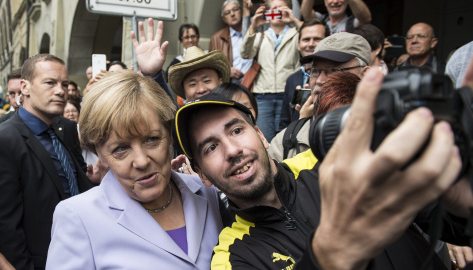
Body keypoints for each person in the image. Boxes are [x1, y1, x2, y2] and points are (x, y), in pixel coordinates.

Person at [174, 66, 471, 269]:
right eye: (211, 147)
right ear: (202, 174)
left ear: (262, 135)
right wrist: (325, 257)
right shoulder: (233, 256)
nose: (233, 150)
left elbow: (447, 220)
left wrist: (461, 200)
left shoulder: (331, 161)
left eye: (237, 130)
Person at [46, 69, 223, 269]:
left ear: (170, 135)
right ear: (100, 154)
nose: (141, 161)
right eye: (121, 148)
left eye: (152, 140)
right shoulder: (77, 217)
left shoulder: (207, 190)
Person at [0, 54, 94, 269]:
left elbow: (69, 186)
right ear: (25, 87)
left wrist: (90, 179)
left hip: (85, 250)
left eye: (64, 84)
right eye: (50, 82)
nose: (60, 90)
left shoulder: (65, 128)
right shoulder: (3, 140)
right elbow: (7, 226)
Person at [269, 32, 370, 161]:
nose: (320, 81)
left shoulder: (389, 135)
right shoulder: (285, 141)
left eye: (334, 70)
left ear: (365, 75)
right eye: (315, 71)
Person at [241, 0, 303, 142]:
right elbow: (245, 53)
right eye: (273, 9)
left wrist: (294, 20)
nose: (277, 12)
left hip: (288, 95)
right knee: (266, 140)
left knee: (288, 138)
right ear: (268, 13)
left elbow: (312, 41)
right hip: (263, 97)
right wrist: (253, 27)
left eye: (281, 8)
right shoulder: (260, 35)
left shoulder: (296, 34)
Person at [279, 18, 328, 130]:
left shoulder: (335, 76)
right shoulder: (292, 79)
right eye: (306, 39)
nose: (311, 44)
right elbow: (285, 120)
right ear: (298, 45)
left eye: (317, 39)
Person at [209, 0, 253, 83]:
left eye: (235, 9)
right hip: (230, 86)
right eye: (227, 13)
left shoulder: (255, 31)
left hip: (254, 84)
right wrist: (226, 71)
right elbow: (212, 66)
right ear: (224, 19)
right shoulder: (216, 38)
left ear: (241, 11)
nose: (232, 14)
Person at [301, 0, 371, 34]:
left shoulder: (352, 23)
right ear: (325, 2)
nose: (335, 1)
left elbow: (366, 18)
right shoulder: (321, 21)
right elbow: (305, 13)